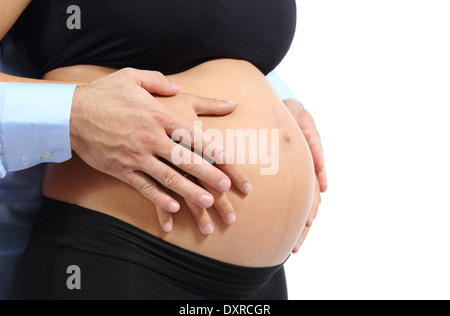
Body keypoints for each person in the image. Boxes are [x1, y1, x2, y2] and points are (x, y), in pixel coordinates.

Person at [1, 0, 327, 300]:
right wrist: (78, 111)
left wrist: (282, 104)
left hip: (262, 279)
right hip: (118, 251)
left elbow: (195, 37)